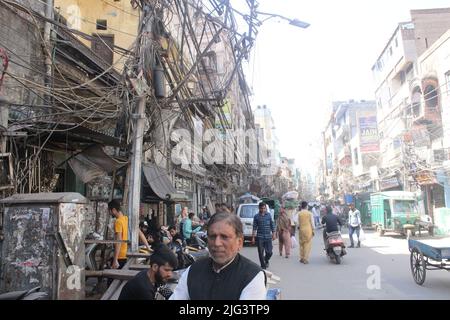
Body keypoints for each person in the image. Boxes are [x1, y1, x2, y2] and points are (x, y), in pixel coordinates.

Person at [170, 212, 267, 300]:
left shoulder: (252, 275)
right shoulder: (193, 271)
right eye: (212, 236)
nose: (217, 243)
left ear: (239, 242)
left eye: (224, 237)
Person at [251, 202, 275, 269]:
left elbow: (272, 225)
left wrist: (274, 234)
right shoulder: (256, 216)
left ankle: (266, 259)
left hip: (268, 237)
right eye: (262, 208)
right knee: (260, 253)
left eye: (264, 208)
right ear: (259, 208)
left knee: (269, 252)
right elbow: (254, 227)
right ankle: (263, 266)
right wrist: (253, 237)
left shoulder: (269, 215)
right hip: (260, 237)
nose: (263, 210)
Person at [108, 200, 128, 269]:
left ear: (113, 210)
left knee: (111, 278)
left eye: (109, 211)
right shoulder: (126, 219)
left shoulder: (118, 221)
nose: (110, 213)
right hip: (125, 254)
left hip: (119, 255)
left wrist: (115, 259)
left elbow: (118, 241)